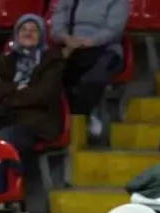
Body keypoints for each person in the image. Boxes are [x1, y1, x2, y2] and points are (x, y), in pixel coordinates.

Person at [0, 13, 65, 158]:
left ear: (41, 35)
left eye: (33, 30)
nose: (28, 33)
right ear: (17, 34)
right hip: (2, 116)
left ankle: (1, 180)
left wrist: (6, 95)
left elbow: (41, 95)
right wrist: (15, 87)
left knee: (2, 142)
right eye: (23, 29)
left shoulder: (52, 61)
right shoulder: (6, 60)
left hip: (34, 122)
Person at [48, 0, 128, 139]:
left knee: (93, 78)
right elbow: (56, 26)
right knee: (50, 75)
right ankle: (66, 119)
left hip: (105, 49)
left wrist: (91, 41)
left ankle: (82, 116)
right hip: (72, 48)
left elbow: (114, 29)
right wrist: (66, 38)